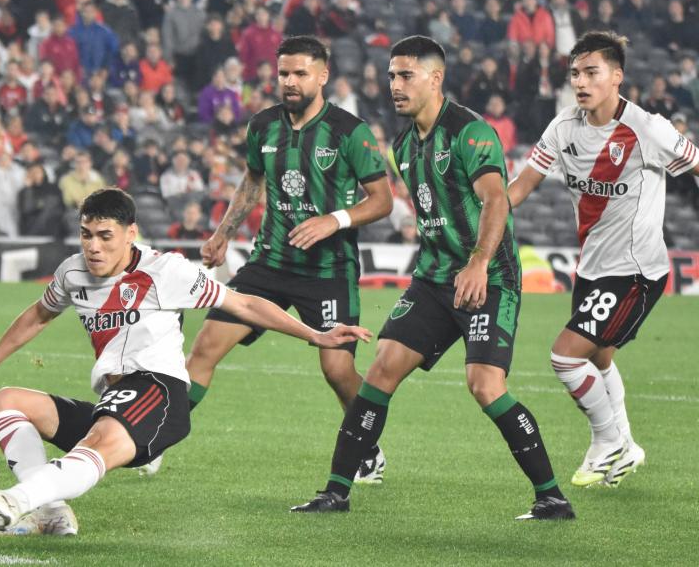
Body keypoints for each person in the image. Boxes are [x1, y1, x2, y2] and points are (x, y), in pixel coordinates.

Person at [0, 188, 371, 534]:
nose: (93, 246)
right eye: (87, 234)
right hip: (115, 399)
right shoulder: (72, 273)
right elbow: (38, 313)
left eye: (105, 236)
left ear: (130, 233)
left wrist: (314, 334)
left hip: (159, 393)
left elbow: (245, 305)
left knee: (97, 441)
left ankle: (14, 502)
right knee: (6, 401)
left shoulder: (167, 272)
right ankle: (51, 513)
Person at [292, 36, 573, 521]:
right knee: (380, 369)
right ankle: (336, 491)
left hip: (489, 277)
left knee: (484, 385)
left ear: (434, 78)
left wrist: (480, 261)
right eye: (391, 76)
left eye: (405, 76)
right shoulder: (403, 145)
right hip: (434, 278)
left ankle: (551, 497)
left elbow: (495, 200)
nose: (394, 86)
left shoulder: (471, 132)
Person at [186, 36, 394, 483]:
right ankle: (155, 435)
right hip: (269, 264)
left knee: (338, 371)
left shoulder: (348, 131)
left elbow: (382, 200)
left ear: (323, 76)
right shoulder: (262, 126)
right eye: (283, 73)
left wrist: (334, 220)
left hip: (328, 270)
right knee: (204, 348)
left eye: (300, 73)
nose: (290, 81)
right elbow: (251, 182)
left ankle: (367, 446)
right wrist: (223, 234)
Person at [507, 31, 699, 488]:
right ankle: (623, 448)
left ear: (617, 77)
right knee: (601, 359)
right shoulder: (563, 127)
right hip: (591, 268)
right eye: (575, 72)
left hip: (636, 271)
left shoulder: (648, 128)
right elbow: (522, 185)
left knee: (566, 357)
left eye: (591, 72)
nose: (580, 81)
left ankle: (609, 440)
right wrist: (484, 212)